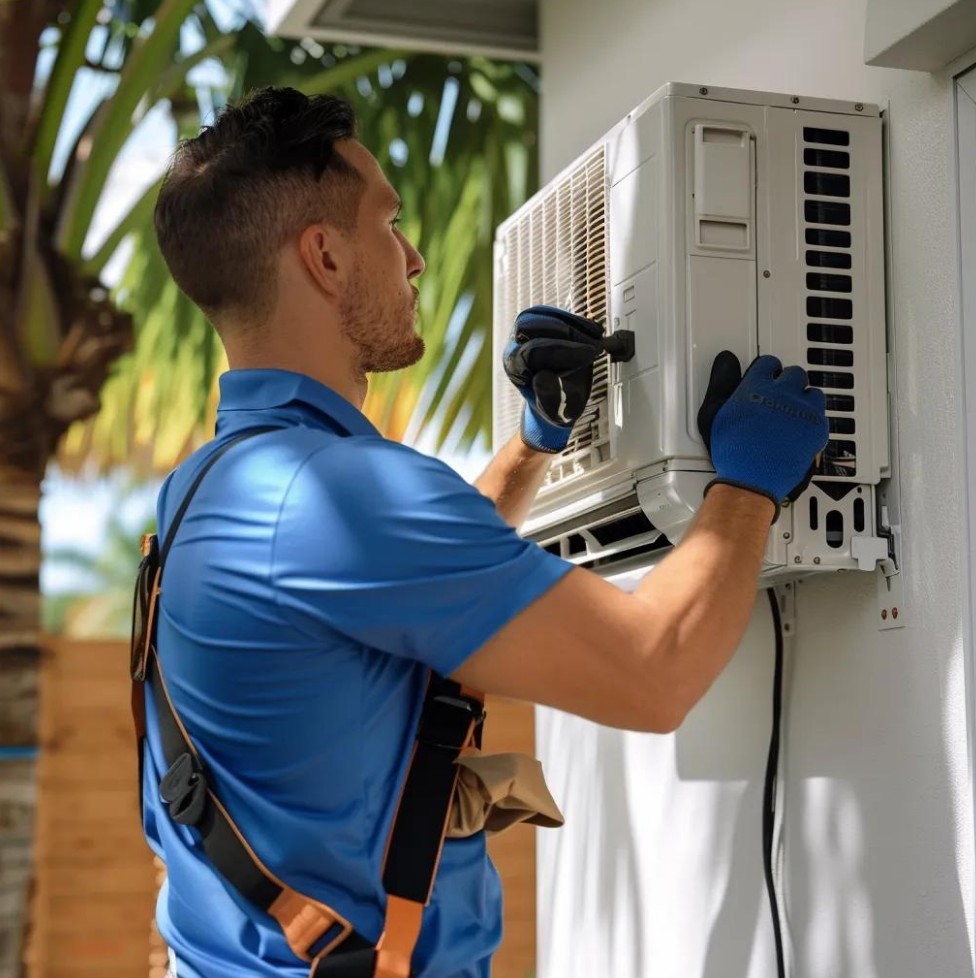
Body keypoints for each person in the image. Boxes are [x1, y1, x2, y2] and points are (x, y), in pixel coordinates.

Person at [143, 86, 828, 978]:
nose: (415, 257)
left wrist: (533, 445)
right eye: (388, 224)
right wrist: (745, 487)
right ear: (325, 257)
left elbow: (396, 589)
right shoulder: (337, 491)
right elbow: (654, 672)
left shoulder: (205, 488)